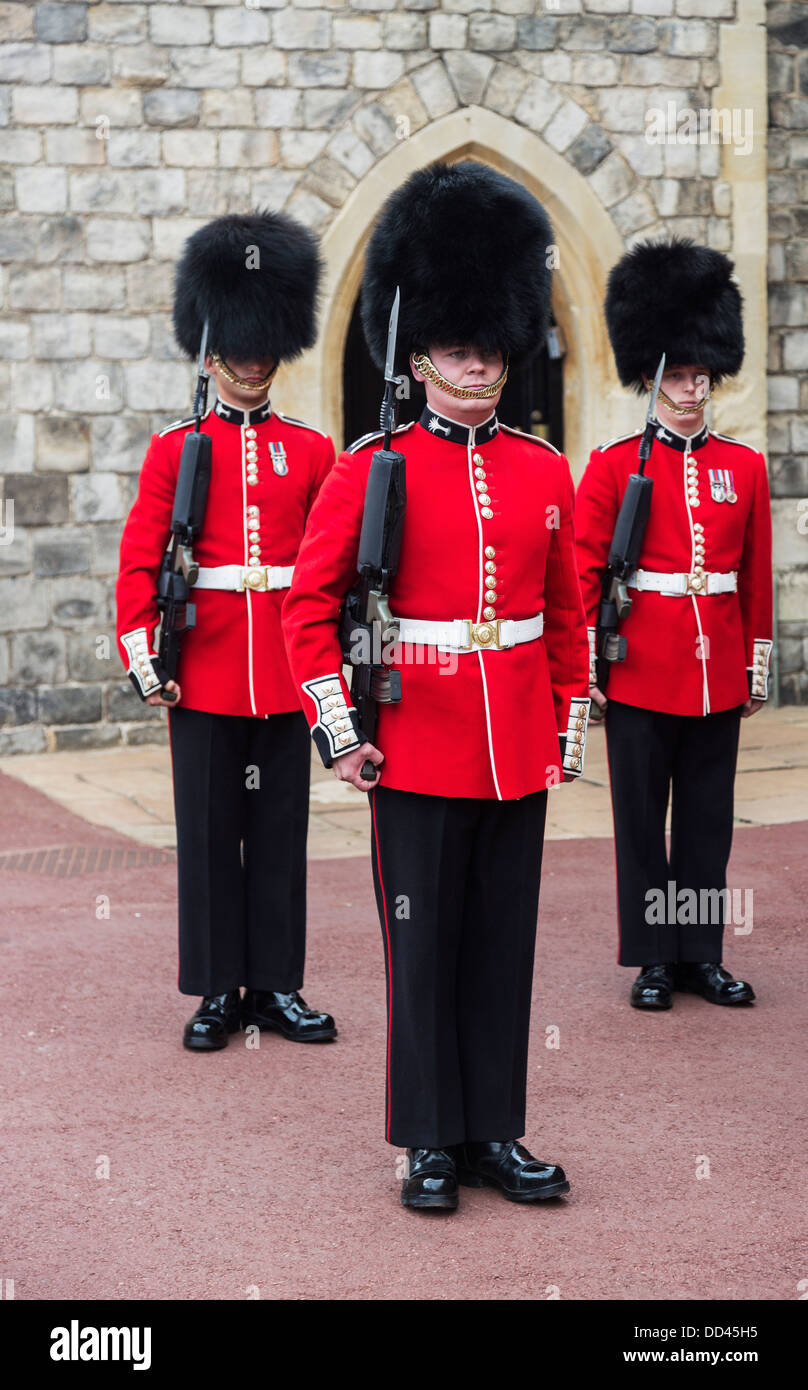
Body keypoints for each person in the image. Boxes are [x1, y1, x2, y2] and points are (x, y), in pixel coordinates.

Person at [283, 161, 590, 1210]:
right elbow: (306, 609)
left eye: (492, 349)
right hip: (415, 745)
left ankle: (494, 1132)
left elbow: (561, 613)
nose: (482, 367)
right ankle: (426, 1138)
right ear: (416, 360)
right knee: (424, 947)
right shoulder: (371, 466)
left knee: (503, 948)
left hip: (515, 746)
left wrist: (566, 724)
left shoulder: (542, 469)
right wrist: (338, 728)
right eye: (460, 351)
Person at [116, 211, 338, 1051]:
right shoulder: (176, 449)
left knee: (280, 834)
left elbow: (327, 571)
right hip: (203, 670)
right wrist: (146, 657)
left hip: (284, 671)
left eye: (263, 347)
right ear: (214, 349)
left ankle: (276, 984)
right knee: (210, 837)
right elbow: (141, 561)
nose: (253, 362)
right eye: (240, 347)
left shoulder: (311, 451)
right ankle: (216, 990)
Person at [575, 238, 773, 1010]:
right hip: (641, 667)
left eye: (700, 376)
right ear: (651, 376)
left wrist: (755, 665)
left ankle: (700, 953)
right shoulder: (615, 466)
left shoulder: (744, 467)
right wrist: (591, 673)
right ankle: (654, 956)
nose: (690, 390)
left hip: (716, 668)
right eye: (678, 375)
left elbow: (752, 576)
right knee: (640, 824)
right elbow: (585, 576)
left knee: (705, 825)